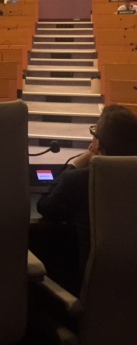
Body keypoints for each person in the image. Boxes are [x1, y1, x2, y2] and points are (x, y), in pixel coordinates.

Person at [37, 106, 137, 293]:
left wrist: (78, 162)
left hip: (91, 301)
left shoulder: (79, 181)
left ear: (97, 144)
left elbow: (45, 206)